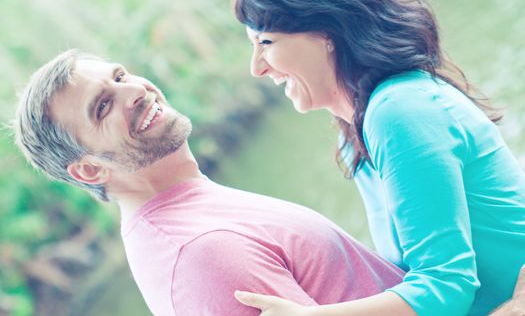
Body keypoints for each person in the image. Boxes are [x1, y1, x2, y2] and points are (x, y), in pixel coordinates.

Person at [14, 49, 407, 316]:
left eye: (120, 76)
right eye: (103, 106)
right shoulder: (198, 254)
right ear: (90, 171)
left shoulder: (192, 209)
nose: (135, 90)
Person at [232, 0, 525, 315]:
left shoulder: (399, 110)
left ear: (326, 32)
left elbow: (446, 285)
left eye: (265, 42)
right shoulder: (356, 132)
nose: (257, 67)